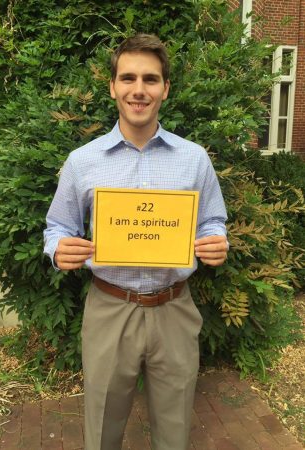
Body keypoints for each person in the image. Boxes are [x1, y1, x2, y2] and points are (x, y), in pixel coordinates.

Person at [44, 34, 228, 450]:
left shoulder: (194, 158)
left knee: (175, 429)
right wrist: (58, 249)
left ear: (165, 88)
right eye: (128, 78)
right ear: (112, 87)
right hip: (110, 309)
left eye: (150, 79)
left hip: (174, 310)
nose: (138, 89)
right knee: (103, 430)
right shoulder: (83, 161)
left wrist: (216, 239)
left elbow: (213, 219)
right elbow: (57, 226)